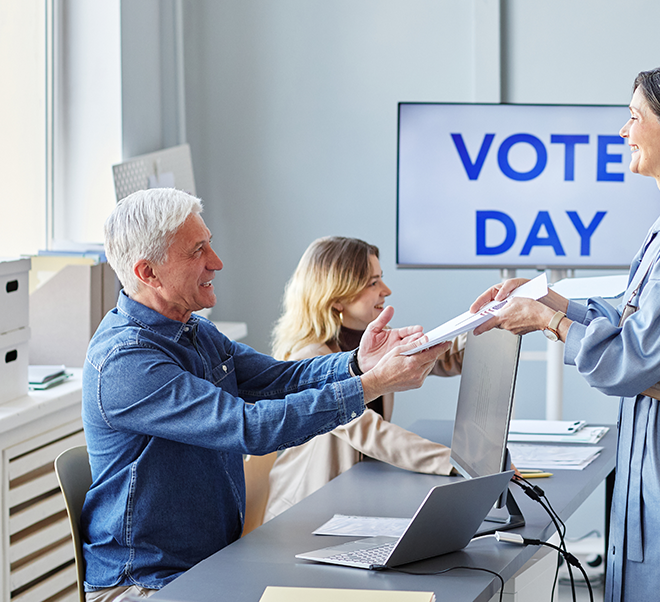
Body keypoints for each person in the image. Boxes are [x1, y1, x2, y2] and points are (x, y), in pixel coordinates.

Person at [81, 189, 447, 600]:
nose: (216, 262)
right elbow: (248, 427)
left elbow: (279, 378)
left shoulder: (194, 331)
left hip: (211, 565)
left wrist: (358, 363)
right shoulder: (125, 362)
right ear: (148, 273)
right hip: (150, 586)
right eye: (198, 250)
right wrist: (372, 385)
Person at [471, 65, 660, 602]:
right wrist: (547, 298)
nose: (623, 132)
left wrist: (546, 321)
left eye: (633, 117)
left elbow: (635, 358)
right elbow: (634, 316)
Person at [260, 236, 463, 524]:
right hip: (304, 518)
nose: (387, 290)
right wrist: (454, 462)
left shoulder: (373, 341)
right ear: (338, 297)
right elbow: (369, 431)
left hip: (352, 498)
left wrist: (488, 320)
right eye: (373, 283)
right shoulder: (310, 360)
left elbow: (443, 356)